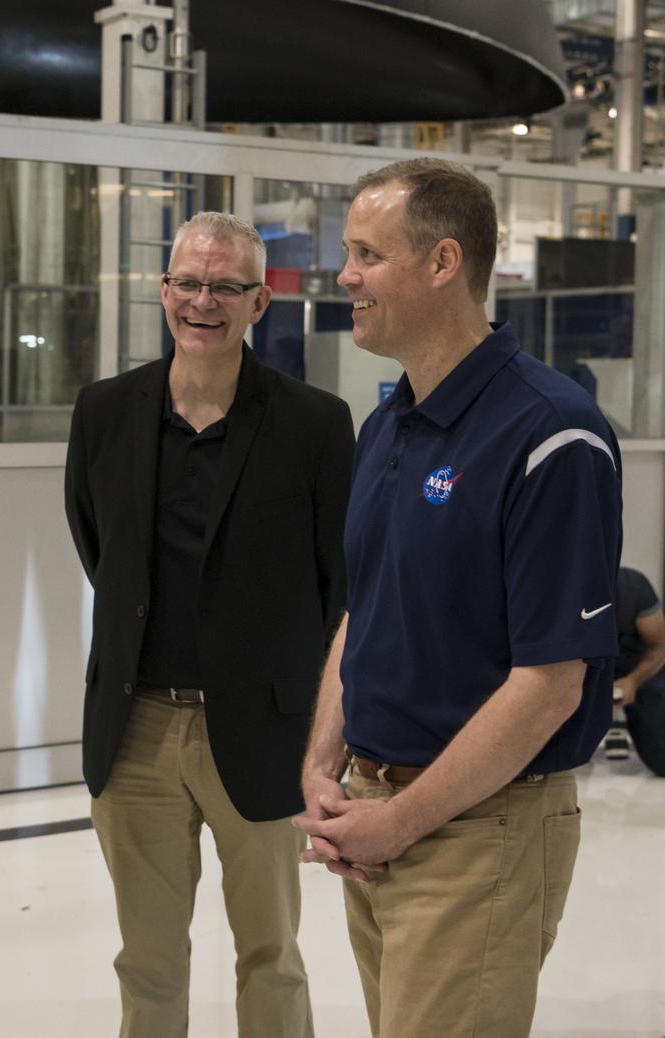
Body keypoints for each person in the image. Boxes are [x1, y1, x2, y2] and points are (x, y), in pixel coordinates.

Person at [294, 158, 621, 1038]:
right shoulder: (387, 423)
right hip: (374, 816)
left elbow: (551, 684)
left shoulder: (552, 434)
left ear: (443, 263)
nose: (346, 277)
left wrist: (400, 819)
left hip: (479, 831)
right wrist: (325, 763)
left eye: (367, 254)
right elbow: (364, 610)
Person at [65, 211, 354, 1037]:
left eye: (226, 286)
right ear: (163, 292)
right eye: (188, 282)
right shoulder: (105, 412)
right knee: (147, 962)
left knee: (271, 954)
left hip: (266, 727)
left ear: (260, 303)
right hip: (136, 730)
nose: (203, 301)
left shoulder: (315, 424)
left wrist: (329, 735)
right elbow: (98, 548)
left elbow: (343, 586)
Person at [610, 566, 665, 774]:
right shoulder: (563, 589)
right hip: (585, 669)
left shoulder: (633, 586)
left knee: (662, 760)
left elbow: (659, 647)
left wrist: (633, 681)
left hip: (640, 666)